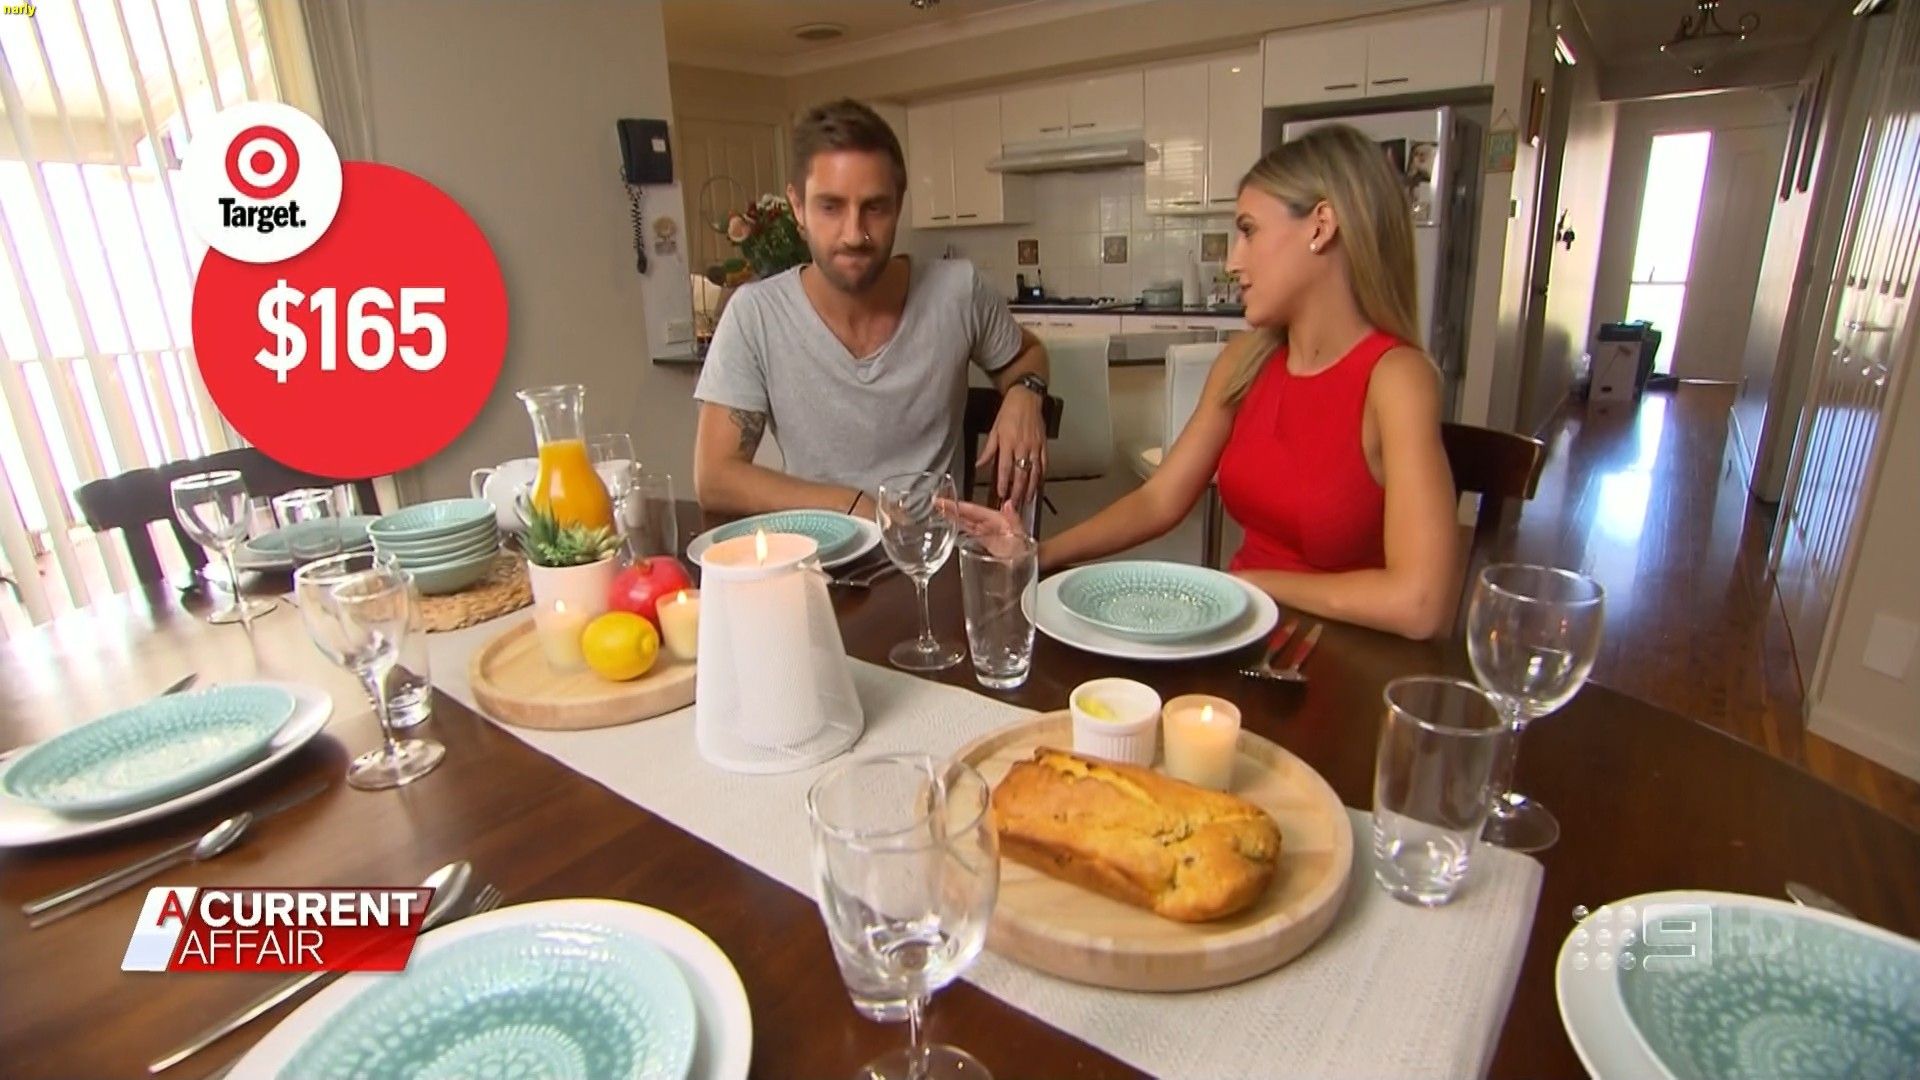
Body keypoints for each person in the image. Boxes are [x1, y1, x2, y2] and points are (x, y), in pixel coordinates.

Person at [954, 124, 1459, 641]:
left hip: (1343, 655)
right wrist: (1036, 554)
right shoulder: (1246, 361)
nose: (1232, 261)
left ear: (1321, 226)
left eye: (1249, 231)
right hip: (1246, 637)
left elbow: (1422, 604)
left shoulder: (1397, 380)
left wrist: (1256, 585)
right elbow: (1159, 501)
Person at [692, 99, 1051, 520]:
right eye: (830, 206)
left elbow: (1027, 354)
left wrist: (1026, 393)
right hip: (818, 552)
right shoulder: (756, 315)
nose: (854, 234)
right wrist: (855, 506)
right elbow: (714, 478)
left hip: (930, 552)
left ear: (898, 204)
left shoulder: (958, 291)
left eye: (875, 207)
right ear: (797, 207)